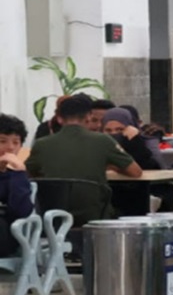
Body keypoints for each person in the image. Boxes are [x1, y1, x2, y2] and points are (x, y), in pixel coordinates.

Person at [27, 94, 142, 226]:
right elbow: (136, 172)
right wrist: (109, 165)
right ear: (88, 117)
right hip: (95, 215)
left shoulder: (42, 144)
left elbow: (28, 175)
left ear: (59, 119)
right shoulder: (103, 141)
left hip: (54, 217)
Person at [0, 114, 34, 258]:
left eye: (16, 142)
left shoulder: (16, 177)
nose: (10, 148)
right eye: (2, 141)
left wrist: (19, 171)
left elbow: (22, 212)